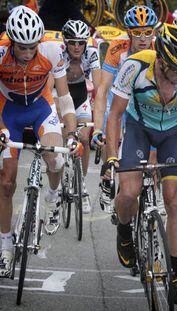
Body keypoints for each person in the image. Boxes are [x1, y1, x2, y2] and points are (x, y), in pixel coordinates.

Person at [101, 23, 177, 304]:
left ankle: (174, 271)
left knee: (174, 201)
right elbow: (114, 116)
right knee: (127, 193)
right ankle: (125, 230)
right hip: (139, 131)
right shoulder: (134, 67)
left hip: (173, 133)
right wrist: (111, 155)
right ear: (161, 61)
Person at [0, 6, 80, 275]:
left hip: (40, 106)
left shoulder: (51, 51)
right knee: (7, 182)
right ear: (11, 42)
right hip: (7, 111)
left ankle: (53, 196)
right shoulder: (0, 52)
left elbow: (65, 97)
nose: (27, 53)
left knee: (56, 158)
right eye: (22, 48)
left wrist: (71, 134)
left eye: (32, 47)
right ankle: (5, 245)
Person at [92, 5, 158, 148]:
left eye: (147, 32)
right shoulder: (117, 47)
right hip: (118, 96)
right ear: (129, 32)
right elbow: (103, 90)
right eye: (137, 32)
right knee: (110, 146)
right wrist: (97, 128)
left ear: (153, 33)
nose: (142, 38)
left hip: (144, 99)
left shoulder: (159, 49)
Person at [53, 20, 101, 213]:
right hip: (60, 96)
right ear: (66, 41)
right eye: (72, 42)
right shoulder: (59, 53)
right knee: (64, 137)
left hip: (81, 96)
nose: (77, 47)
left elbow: (98, 87)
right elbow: (50, 88)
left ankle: (81, 184)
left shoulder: (91, 54)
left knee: (83, 138)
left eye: (81, 42)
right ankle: (58, 185)